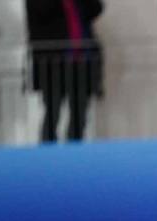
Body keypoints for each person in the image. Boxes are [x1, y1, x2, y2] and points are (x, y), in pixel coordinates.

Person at [24, 0, 104, 142]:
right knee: (53, 111)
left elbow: (96, 9)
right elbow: (42, 12)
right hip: (52, 61)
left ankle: (74, 153)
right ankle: (48, 154)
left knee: (80, 113)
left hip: (82, 60)